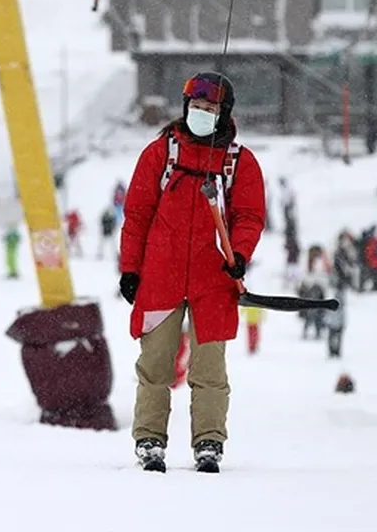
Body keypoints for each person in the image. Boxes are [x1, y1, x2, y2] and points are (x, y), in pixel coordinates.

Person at [119, 72, 266, 473]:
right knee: (155, 364)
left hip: (214, 279)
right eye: (196, 108)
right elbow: (137, 215)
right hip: (160, 276)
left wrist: (239, 253)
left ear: (224, 114)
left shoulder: (239, 163)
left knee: (209, 368)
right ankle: (149, 438)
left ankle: (209, 441)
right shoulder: (160, 154)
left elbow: (249, 216)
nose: (201, 114)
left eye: (210, 109)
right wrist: (130, 269)